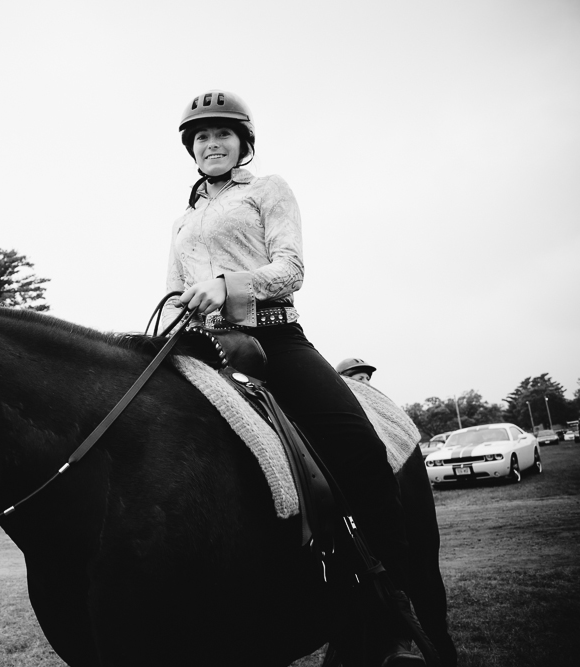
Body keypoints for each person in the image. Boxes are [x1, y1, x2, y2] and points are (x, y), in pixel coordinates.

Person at [164, 89, 426, 665]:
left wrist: (229, 284)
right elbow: (176, 285)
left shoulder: (268, 189)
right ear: (191, 146)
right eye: (202, 136)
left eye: (223, 134)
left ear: (243, 142)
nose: (213, 143)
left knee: (358, 449)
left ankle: (398, 611)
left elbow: (292, 269)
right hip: (204, 348)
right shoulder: (183, 219)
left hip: (273, 341)